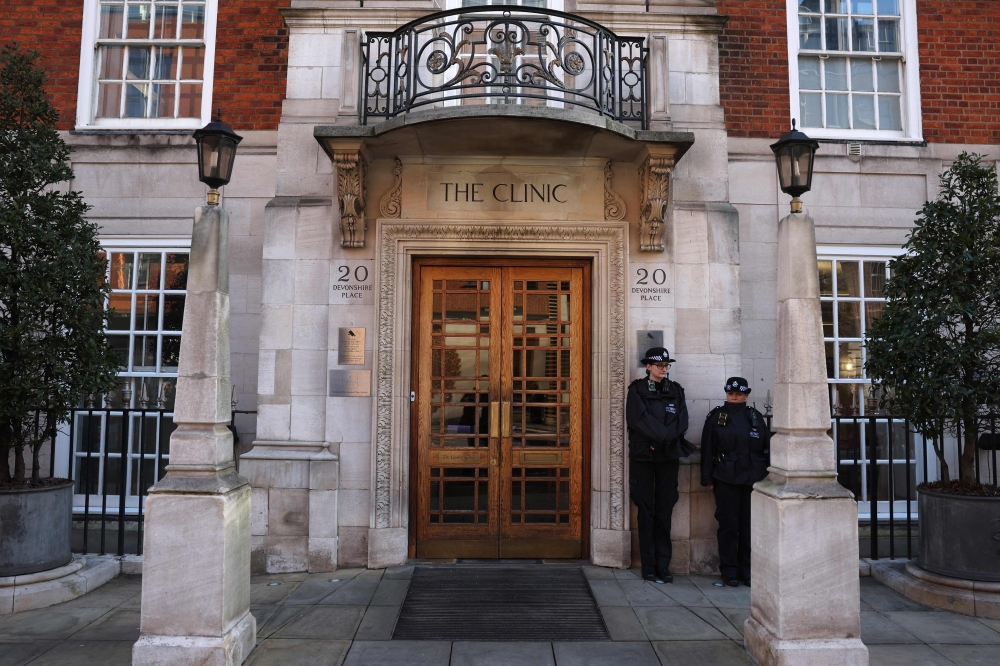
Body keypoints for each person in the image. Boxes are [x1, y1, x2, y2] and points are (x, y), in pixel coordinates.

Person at [626, 347, 692, 583]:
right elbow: (638, 419)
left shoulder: (675, 390)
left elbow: (681, 421)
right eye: (660, 365)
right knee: (646, 511)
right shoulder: (636, 390)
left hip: (667, 456)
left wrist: (663, 441)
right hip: (644, 457)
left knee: (665, 510)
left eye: (667, 365)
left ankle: (663, 565)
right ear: (649, 367)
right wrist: (658, 440)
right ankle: (649, 565)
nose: (664, 369)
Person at [700, 377, 771, 587]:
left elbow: (766, 449)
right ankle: (729, 571)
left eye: (738, 394)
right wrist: (707, 478)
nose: (734, 397)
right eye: (731, 394)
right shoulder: (716, 417)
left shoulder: (755, 417)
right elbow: (707, 449)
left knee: (749, 527)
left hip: (752, 480)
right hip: (725, 479)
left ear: (746, 395)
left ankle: (747, 570)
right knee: (729, 527)